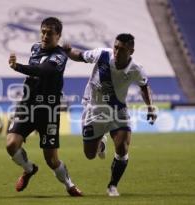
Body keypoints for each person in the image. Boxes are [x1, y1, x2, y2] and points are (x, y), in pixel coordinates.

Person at [63, 33, 157, 196]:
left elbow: (144, 86)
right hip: (94, 109)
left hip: (118, 111)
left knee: (122, 147)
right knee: (90, 155)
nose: (117, 51)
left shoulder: (136, 69)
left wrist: (150, 107)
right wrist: (68, 50)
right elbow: (80, 56)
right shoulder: (102, 54)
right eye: (116, 47)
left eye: (122, 49)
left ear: (131, 51)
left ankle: (112, 185)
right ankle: (101, 144)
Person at [7, 17, 82, 197]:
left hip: (48, 111)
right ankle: (29, 169)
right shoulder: (34, 48)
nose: (45, 36)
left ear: (58, 36)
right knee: (11, 144)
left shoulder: (60, 56)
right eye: (43, 32)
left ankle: (69, 185)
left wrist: (17, 66)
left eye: (50, 33)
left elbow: (44, 71)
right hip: (27, 107)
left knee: (52, 160)